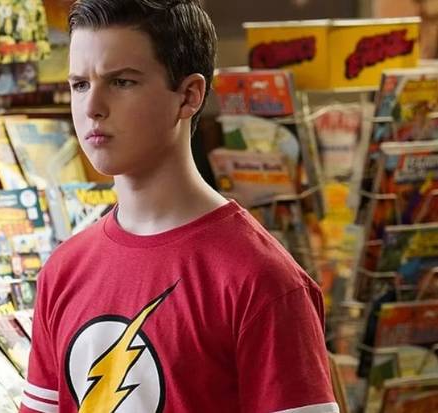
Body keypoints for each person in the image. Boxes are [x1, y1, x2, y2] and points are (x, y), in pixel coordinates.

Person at [21, 1, 338, 413]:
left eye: (121, 82)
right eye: (80, 84)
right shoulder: (63, 272)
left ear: (189, 96)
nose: (92, 106)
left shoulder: (262, 281)